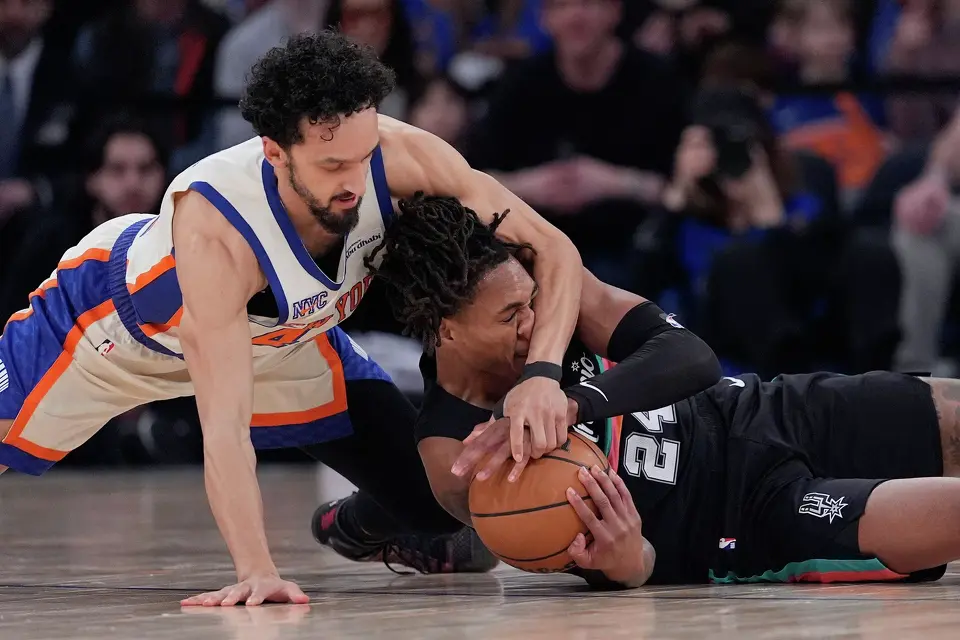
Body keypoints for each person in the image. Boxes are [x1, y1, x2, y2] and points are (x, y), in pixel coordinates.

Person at [0, 31, 583, 606]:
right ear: (275, 150)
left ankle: (354, 527)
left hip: (285, 341)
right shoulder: (218, 230)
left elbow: (554, 250)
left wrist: (541, 375)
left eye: (363, 155)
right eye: (332, 165)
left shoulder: (403, 155)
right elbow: (224, 430)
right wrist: (256, 570)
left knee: (437, 503)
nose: (356, 181)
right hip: (105, 333)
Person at [370, 192, 960, 588]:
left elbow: (690, 356)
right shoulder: (454, 453)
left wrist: (568, 397)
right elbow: (629, 563)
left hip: (757, 409)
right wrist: (625, 564)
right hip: (748, 521)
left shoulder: (552, 300)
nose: (531, 323)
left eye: (529, 303)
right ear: (445, 328)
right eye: (508, 319)